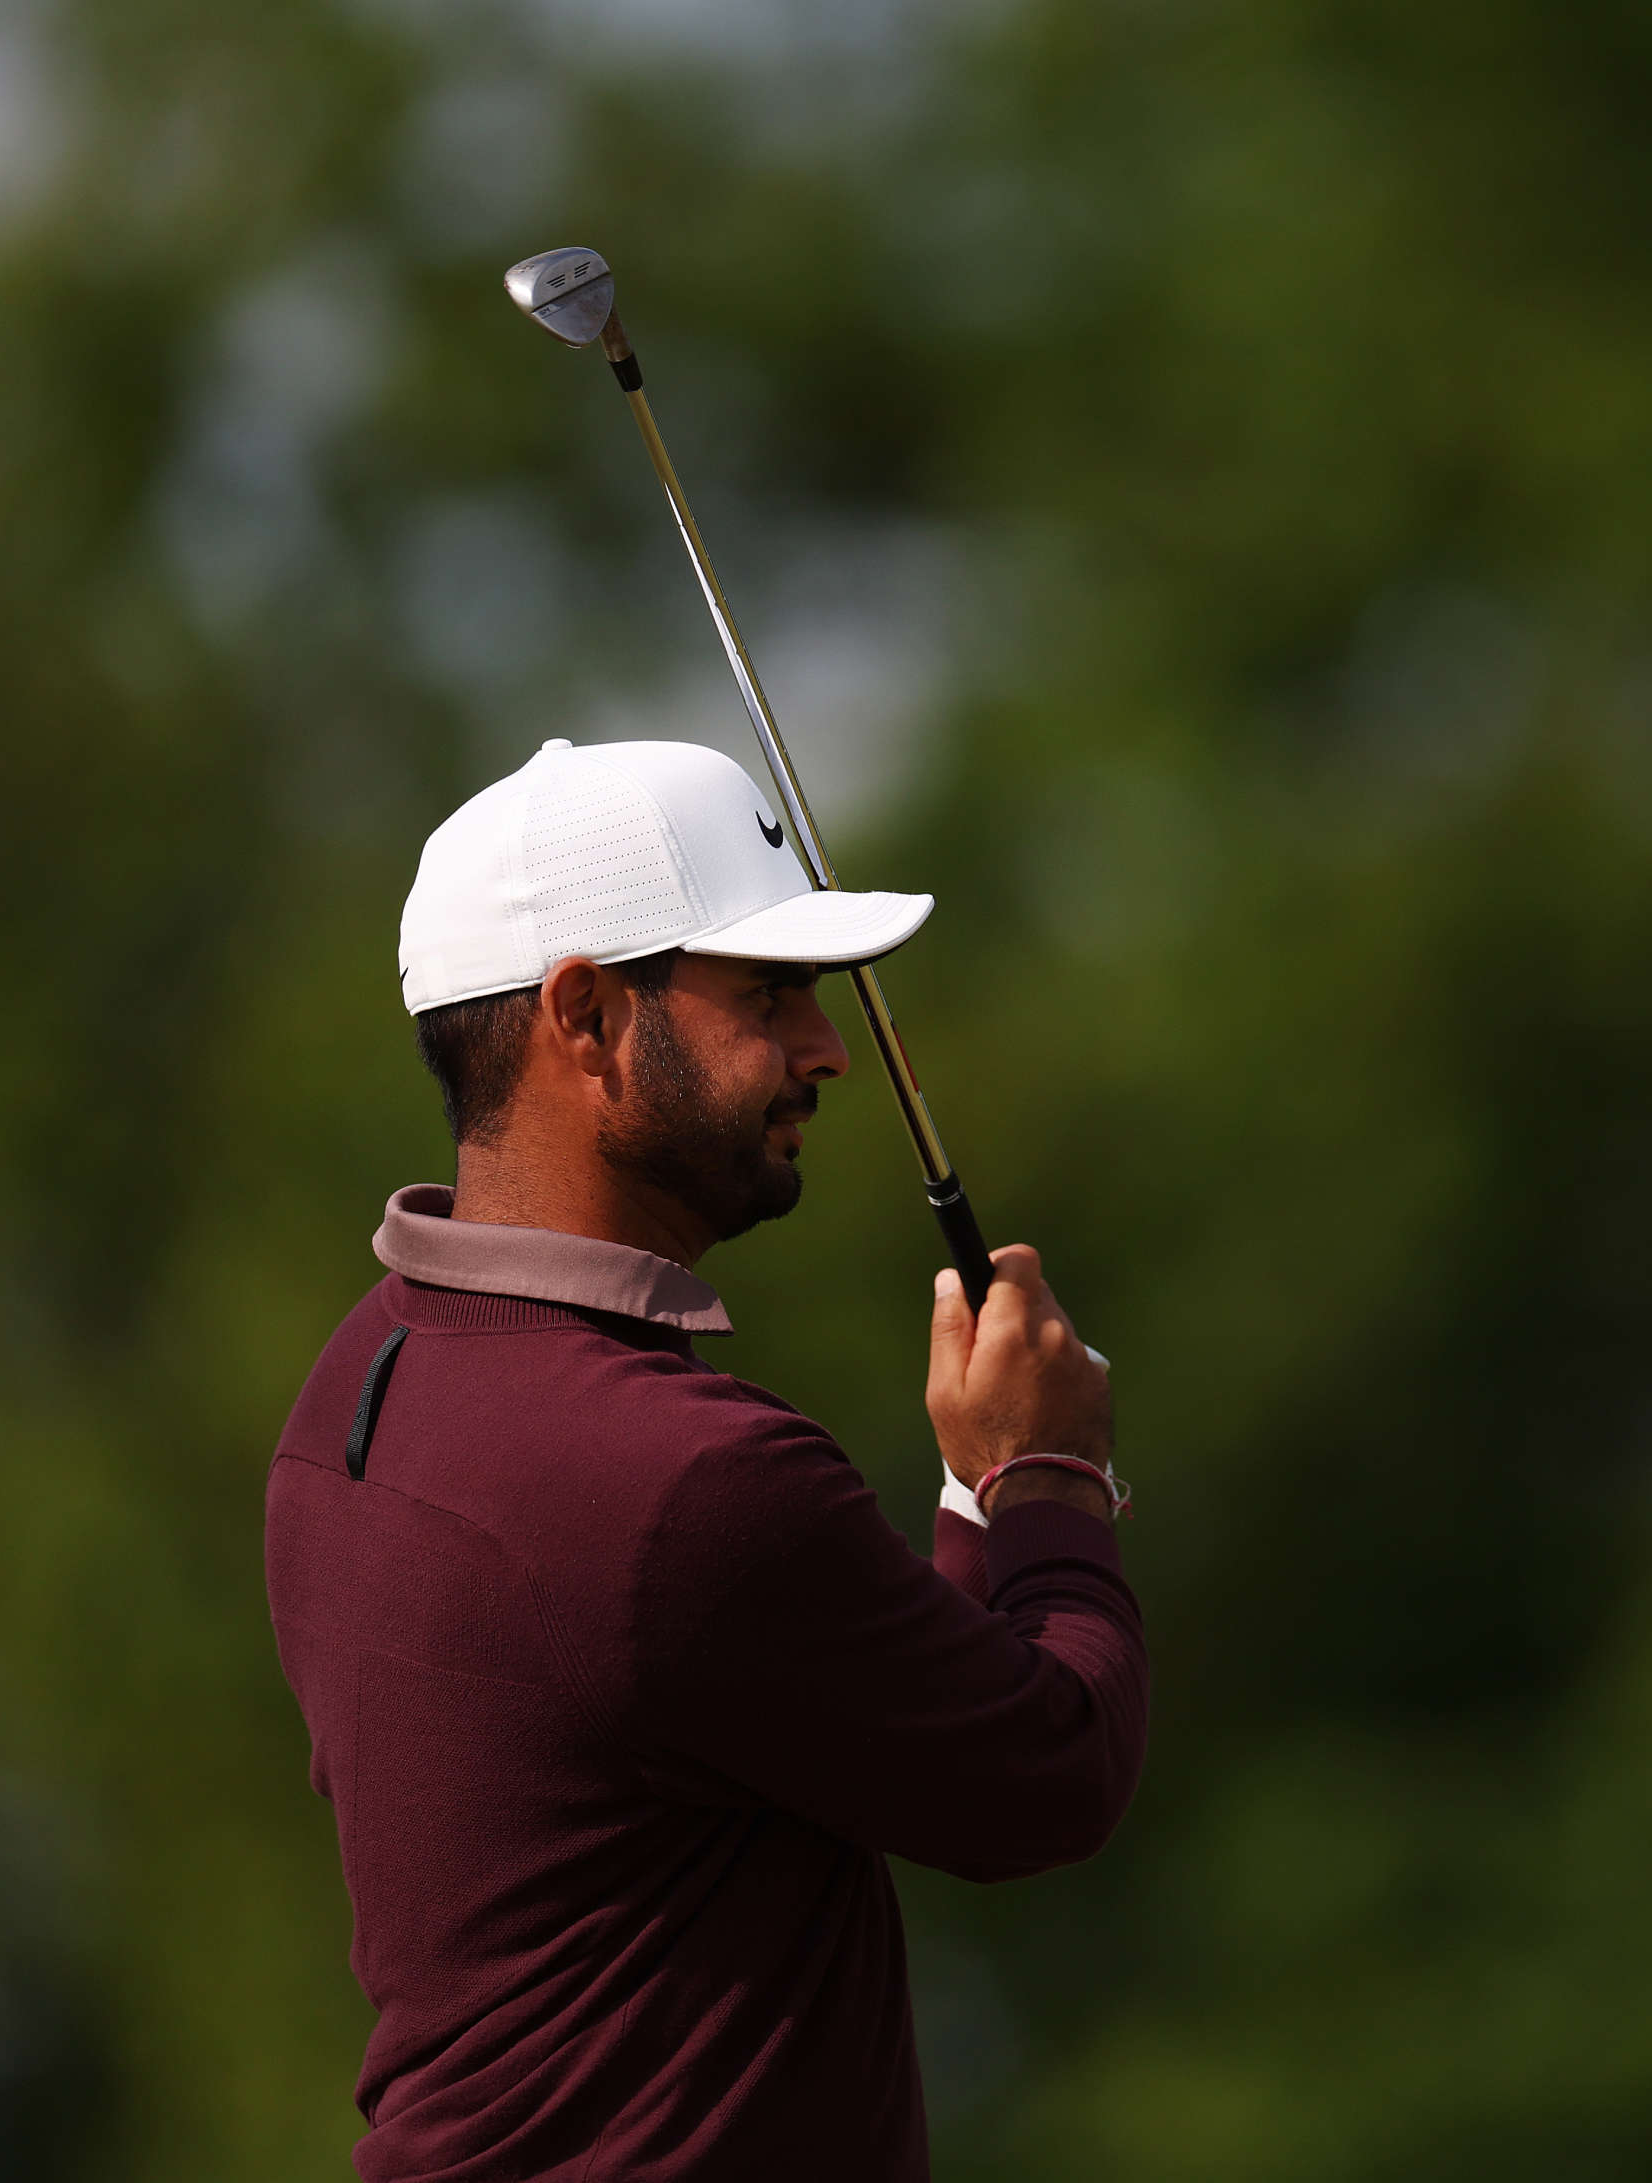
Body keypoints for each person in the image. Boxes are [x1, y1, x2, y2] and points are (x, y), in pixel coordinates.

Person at [265, 736, 1148, 2182]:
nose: (823, 1049)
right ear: (587, 1015)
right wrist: (1045, 1476)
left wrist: (969, 1489)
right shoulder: (684, 1482)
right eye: (769, 994)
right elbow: (1048, 1773)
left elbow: (821, 1699)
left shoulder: (355, 1385)